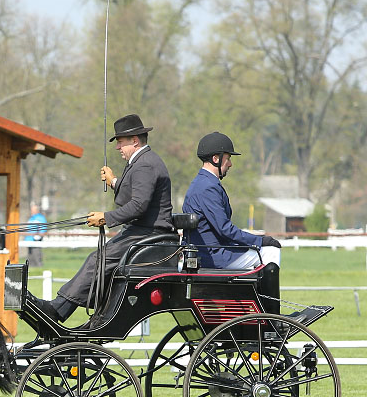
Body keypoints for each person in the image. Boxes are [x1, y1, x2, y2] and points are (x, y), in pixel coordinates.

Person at [28, 114, 173, 322]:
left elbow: (138, 206)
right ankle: (77, 311)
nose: (118, 148)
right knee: (98, 259)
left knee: (98, 260)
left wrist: (105, 217)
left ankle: (57, 310)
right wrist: (114, 181)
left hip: (147, 234)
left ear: (134, 140)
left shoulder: (145, 164)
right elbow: (136, 196)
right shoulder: (143, 161)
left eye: (121, 142)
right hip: (141, 232)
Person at [182, 132, 281, 269]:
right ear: (216, 158)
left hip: (208, 251)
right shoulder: (207, 187)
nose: (230, 164)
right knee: (271, 251)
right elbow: (225, 230)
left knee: (259, 251)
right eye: (227, 158)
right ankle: (265, 292)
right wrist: (260, 240)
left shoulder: (201, 182)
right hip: (213, 256)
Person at [24, 202, 47, 267]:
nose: (31, 211)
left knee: (36, 256)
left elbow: (43, 229)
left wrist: (39, 236)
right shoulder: (31, 218)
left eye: (32, 210)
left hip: (35, 240)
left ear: (36, 210)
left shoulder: (40, 218)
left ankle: (39, 268)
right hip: (29, 240)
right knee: (30, 257)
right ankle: (30, 269)